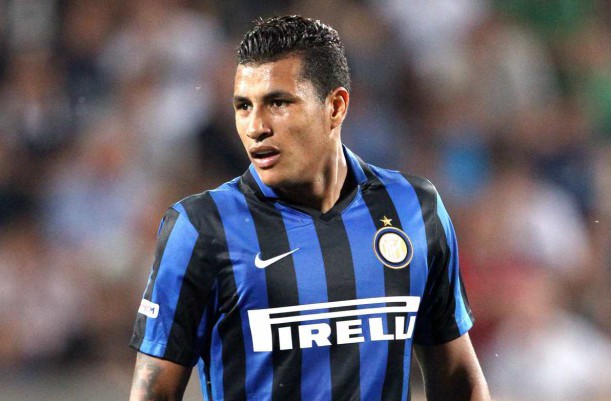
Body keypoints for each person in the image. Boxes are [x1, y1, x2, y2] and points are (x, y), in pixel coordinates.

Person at [128, 15, 490, 401]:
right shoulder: (201, 227)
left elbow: (458, 380)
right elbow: (154, 394)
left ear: (335, 106)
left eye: (277, 103)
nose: (255, 127)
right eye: (243, 106)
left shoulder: (413, 209)